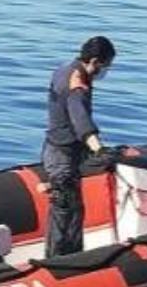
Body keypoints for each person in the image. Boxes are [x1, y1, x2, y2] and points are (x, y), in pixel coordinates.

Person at [43, 36, 117, 258]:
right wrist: (98, 148)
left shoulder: (63, 69)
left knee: (63, 209)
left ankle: (61, 256)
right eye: (105, 66)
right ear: (94, 61)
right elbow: (80, 120)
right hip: (63, 156)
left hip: (55, 149)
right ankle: (62, 261)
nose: (105, 71)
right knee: (68, 212)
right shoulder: (78, 82)